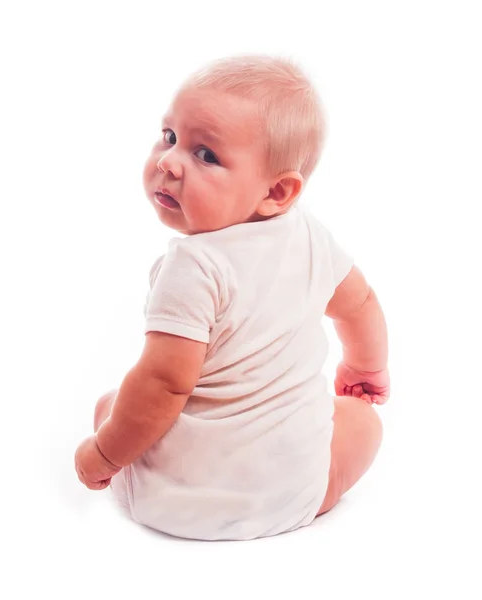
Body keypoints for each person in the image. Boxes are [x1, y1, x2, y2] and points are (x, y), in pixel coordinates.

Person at [74, 55, 389, 541]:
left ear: (277, 191)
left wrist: (106, 453)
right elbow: (360, 303)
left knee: (111, 404)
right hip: (292, 493)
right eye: (170, 136)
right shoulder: (310, 237)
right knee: (362, 425)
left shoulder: (194, 266)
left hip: (177, 502)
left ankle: (127, 447)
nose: (168, 161)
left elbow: (162, 385)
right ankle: (295, 491)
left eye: (206, 155)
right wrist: (365, 370)